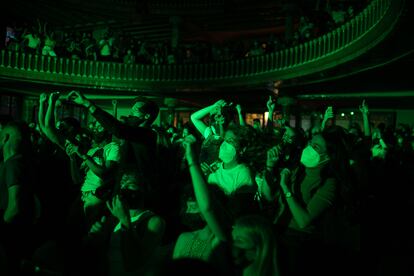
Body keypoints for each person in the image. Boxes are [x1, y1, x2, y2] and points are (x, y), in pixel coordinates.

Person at [179, 135, 280, 275]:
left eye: (238, 240)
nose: (232, 243)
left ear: (260, 248)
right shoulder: (185, 238)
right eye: (224, 141)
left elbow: (208, 207)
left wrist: (193, 162)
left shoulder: (243, 172)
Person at [0, 121, 38, 274]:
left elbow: (15, 205)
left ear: (5, 138)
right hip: (23, 232)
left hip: (12, 234)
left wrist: (3, 229)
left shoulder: (13, 165)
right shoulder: (23, 161)